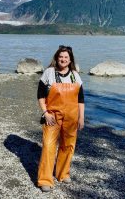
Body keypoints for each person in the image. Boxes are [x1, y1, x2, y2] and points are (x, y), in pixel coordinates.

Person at [37, 45, 85, 192]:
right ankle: (45, 180)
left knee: (68, 145)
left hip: (71, 116)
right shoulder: (49, 73)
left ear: (70, 60)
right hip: (52, 116)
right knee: (48, 145)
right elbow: (40, 95)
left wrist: (81, 117)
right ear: (57, 58)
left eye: (66, 57)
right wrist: (45, 113)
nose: (63, 59)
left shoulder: (75, 76)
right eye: (61, 57)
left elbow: (81, 99)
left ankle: (62, 173)